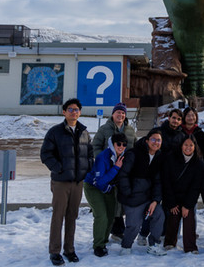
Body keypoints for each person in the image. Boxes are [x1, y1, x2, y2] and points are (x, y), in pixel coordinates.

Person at [40, 98, 93, 266]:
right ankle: (54, 251)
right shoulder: (55, 132)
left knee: (72, 216)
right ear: (64, 112)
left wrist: (87, 167)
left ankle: (69, 249)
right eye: (70, 109)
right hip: (61, 182)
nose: (73, 112)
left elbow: (89, 153)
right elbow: (46, 154)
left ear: (80, 112)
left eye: (76, 109)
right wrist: (59, 168)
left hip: (77, 182)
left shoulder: (84, 132)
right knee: (58, 216)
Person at [117, 128, 166, 256]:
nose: (156, 142)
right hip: (132, 197)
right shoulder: (134, 153)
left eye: (159, 140)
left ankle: (154, 244)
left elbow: (158, 181)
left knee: (159, 214)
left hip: (148, 197)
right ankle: (126, 246)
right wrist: (128, 192)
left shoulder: (159, 156)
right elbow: (123, 174)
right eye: (153, 139)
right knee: (134, 225)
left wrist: (155, 200)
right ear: (147, 140)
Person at [91, 102, 137, 240]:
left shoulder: (129, 130)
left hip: (124, 169)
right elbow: (96, 145)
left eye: (123, 113)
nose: (121, 115)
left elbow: (134, 147)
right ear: (113, 114)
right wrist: (103, 161)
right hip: (109, 168)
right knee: (111, 196)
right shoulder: (105, 129)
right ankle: (114, 228)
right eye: (118, 112)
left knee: (121, 197)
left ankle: (117, 226)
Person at [84, 133, 127, 257]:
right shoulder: (103, 156)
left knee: (110, 215)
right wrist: (116, 168)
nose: (121, 146)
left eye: (124, 144)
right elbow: (100, 181)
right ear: (112, 144)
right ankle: (98, 245)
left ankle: (103, 241)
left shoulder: (122, 156)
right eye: (118, 143)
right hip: (93, 187)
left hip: (108, 187)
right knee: (101, 216)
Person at [162, 135, 204, 253]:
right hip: (173, 195)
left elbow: (196, 187)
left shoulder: (198, 162)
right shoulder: (171, 158)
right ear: (181, 146)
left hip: (188, 196)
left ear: (195, 147)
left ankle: (190, 247)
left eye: (191, 145)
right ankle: (169, 242)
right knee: (173, 215)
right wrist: (171, 202)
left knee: (188, 216)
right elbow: (166, 181)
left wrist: (187, 205)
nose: (188, 147)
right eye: (186, 144)